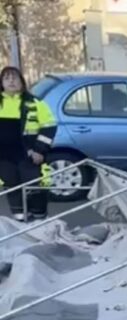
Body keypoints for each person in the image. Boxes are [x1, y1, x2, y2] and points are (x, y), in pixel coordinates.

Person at [0, 66, 56, 221]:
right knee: (13, 188)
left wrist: (40, 150)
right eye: (7, 78)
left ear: (22, 82)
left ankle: (40, 219)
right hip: (4, 158)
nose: (11, 81)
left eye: (15, 78)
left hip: (28, 155)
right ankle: (20, 221)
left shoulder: (34, 103)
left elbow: (49, 126)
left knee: (35, 188)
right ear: (2, 83)